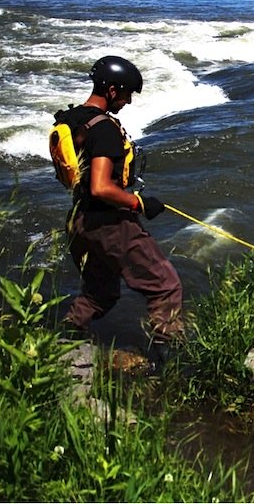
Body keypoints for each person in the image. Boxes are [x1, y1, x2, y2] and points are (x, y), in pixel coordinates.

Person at [55, 55, 183, 365]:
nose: (127, 102)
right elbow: (101, 187)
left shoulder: (72, 120)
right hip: (110, 223)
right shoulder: (105, 130)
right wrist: (140, 203)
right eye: (126, 94)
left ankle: (65, 341)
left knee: (101, 292)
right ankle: (166, 360)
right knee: (165, 286)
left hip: (80, 220)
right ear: (112, 90)